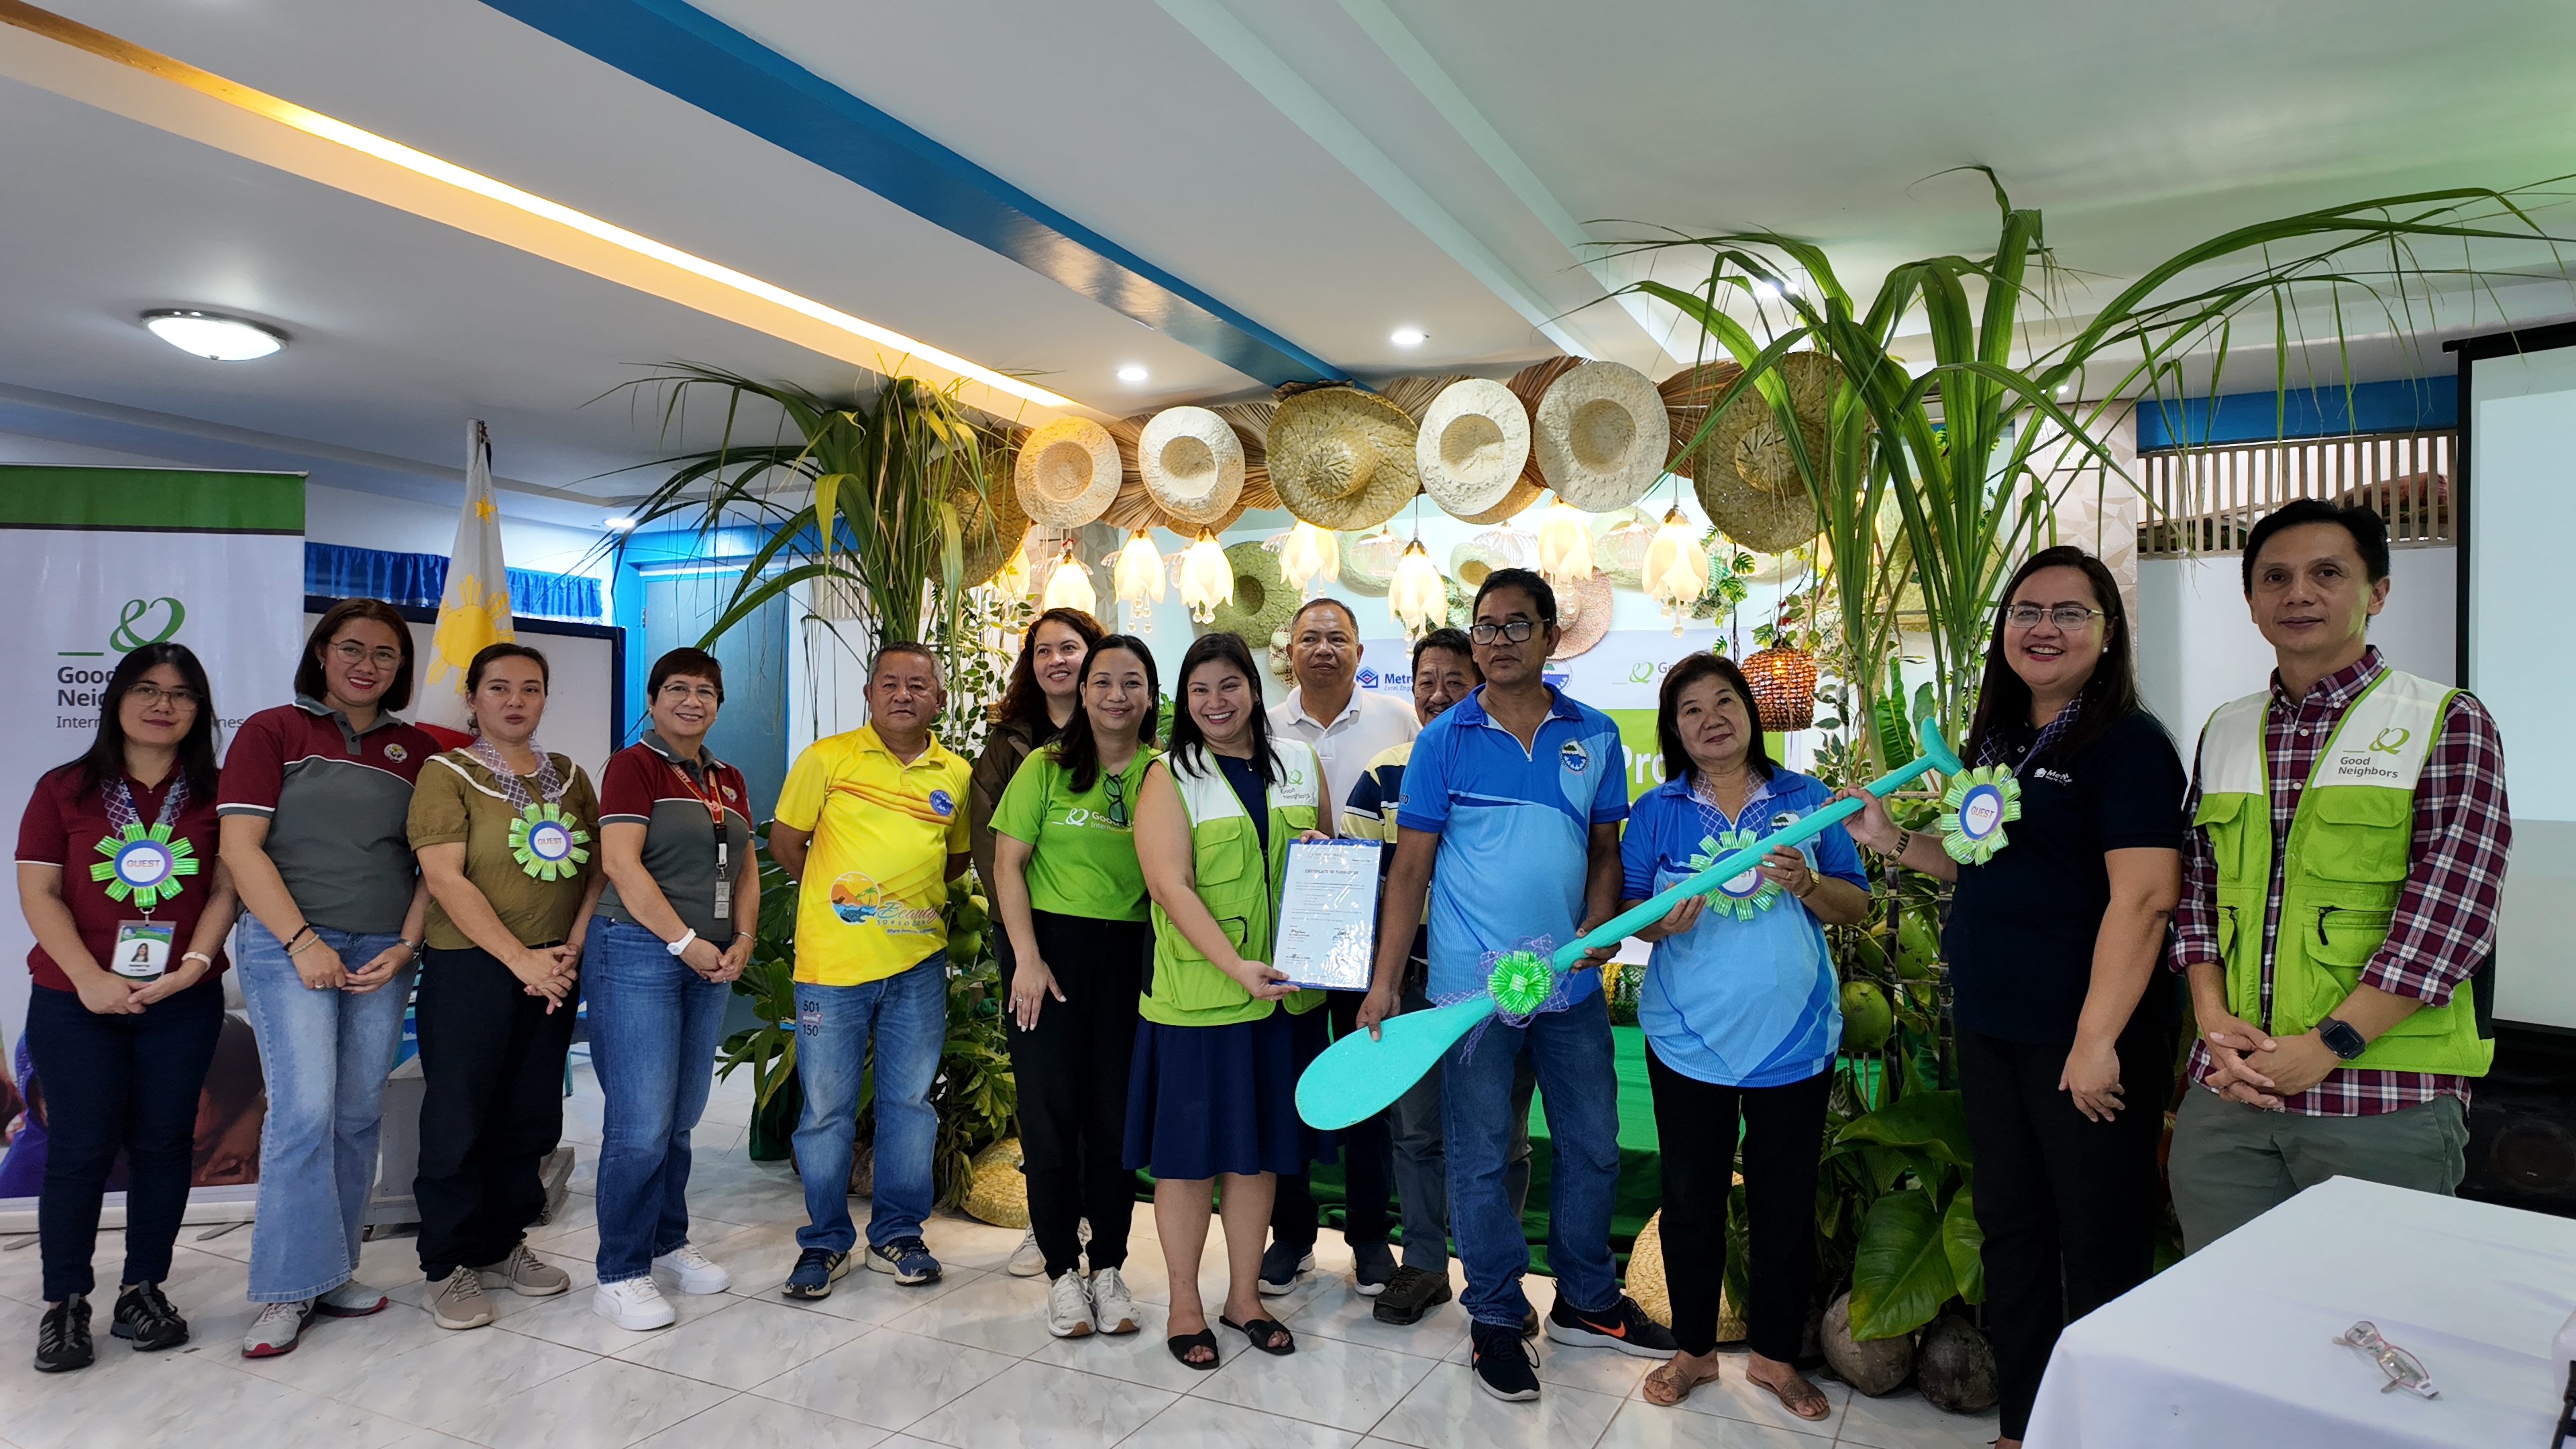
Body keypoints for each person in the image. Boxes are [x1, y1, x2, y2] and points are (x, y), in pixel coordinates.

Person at [1843, 545, 2185, 1449]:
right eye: (2027, 610)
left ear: (2108, 635)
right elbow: (1977, 859)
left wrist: (2097, 1039)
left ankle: (2104, 1432)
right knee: (2013, 1235)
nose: (2044, 627)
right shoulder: (2000, 738)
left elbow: (2146, 897)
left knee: (2099, 1249)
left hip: (2081, 1044)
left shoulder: (2129, 745)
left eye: (2070, 612)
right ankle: (2026, 1428)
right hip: (1992, 1028)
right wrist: (1892, 841)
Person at [1355, 568, 1674, 1403]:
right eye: (1485, 628)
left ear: (1550, 636)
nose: (1497, 641)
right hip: (1469, 993)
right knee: (1480, 1155)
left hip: (1566, 988)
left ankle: (1586, 1299)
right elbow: (1412, 869)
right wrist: (1386, 984)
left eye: (1515, 626)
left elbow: (1607, 853)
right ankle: (1495, 1314)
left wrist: (1596, 935)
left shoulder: (1595, 735)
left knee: (1594, 1142)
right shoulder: (1443, 740)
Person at [2166, 498, 2507, 1251]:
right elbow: (2196, 891)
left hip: (2381, 1098)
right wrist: (2214, 1023)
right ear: (2252, 599)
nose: (2299, 594)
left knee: (2377, 1335)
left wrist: (2329, 1044)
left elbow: (2453, 910)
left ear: (2376, 593)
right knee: (2223, 1322)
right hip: (2232, 1093)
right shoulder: (2226, 727)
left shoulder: (2443, 719)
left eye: (2327, 573)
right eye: (2275, 577)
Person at [1622, 653, 1868, 1418]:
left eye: (1723, 701)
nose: (1711, 719)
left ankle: (1772, 1357)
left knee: (1782, 1202)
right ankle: (1693, 1353)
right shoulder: (1656, 810)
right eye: (1690, 710)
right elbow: (1630, 918)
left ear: (1749, 710)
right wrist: (1659, 923)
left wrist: (1809, 884)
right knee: (1691, 1199)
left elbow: (1853, 904)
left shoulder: (1808, 799)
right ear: (1675, 730)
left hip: (1795, 1037)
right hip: (1686, 1037)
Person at [218, 599, 437, 1356]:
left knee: (354, 1115)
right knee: (304, 1114)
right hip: (290, 947)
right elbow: (241, 849)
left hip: (381, 950)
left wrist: (408, 943)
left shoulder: (417, 750)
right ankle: (284, 1290)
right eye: (352, 647)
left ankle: (332, 1271)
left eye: (385, 653)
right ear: (321, 654)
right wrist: (303, 940)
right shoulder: (272, 730)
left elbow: (431, 864)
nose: (368, 663)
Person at [15, 643, 240, 1372]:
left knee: (164, 1146)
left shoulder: (217, 792)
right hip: (73, 999)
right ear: (116, 699)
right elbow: (39, 892)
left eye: (181, 694)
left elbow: (226, 892)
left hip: (180, 1000)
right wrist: (88, 979)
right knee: (78, 1149)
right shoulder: (65, 788)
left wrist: (195, 967)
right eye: (147, 689)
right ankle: (66, 1303)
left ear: (199, 711)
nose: (163, 704)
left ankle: (143, 1288)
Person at [1128, 631, 1332, 1371]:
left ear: (1254, 688)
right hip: (1197, 1002)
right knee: (1188, 1162)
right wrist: (1234, 966)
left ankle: (1244, 1297)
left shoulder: (1302, 763)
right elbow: (1168, 887)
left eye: (1229, 686)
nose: (1216, 703)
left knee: (1258, 1158)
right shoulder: (1168, 775)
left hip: (1284, 1001)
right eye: (1200, 691)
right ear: (1185, 703)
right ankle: (1186, 1301)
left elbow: (1327, 863)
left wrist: (1316, 853)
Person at [1338, 627, 1538, 1330]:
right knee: (1416, 1131)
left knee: (1504, 1137)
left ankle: (1500, 1278)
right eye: (1427, 680)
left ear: (1481, 678)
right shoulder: (1384, 774)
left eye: (1456, 679)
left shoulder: (1513, 764)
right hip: (1415, 979)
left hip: (1497, 984)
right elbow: (1361, 882)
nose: (1439, 693)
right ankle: (1422, 1266)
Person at [407, 642, 604, 1332]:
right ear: (473, 698)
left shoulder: (573, 776)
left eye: (530, 687)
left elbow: (595, 874)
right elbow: (445, 878)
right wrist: (521, 959)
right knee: (460, 1113)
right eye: (498, 688)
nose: (515, 700)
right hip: (474, 967)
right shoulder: (446, 773)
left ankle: (502, 1245)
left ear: (546, 697)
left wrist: (569, 949)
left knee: (528, 1115)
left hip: (553, 969)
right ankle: (448, 1262)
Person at [771, 642, 973, 1300]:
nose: (903, 695)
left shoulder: (957, 774)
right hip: (832, 966)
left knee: (909, 1107)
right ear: (869, 692)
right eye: (890, 683)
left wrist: (899, 912)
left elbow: (955, 860)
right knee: (826, 1110)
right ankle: (826, 1243)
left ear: (939, 699)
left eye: (919, 685)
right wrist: (841, 906)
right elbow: (785, 844)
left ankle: (896, 1234)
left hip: (917, 963)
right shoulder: (827, 759)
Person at [585, 648, 758, 1330]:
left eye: (707, 691)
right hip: (639, 949)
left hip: (710, 956)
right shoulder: (633, 766)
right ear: (653, 700)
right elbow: (620, 864)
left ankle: (668, 1239)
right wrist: (684, 943)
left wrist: (741, 939)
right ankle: (620, 1271)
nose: (693, 700)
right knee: (640, 1121)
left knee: (681, 1113)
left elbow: (743, 867)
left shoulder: (728, 777)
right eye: (679, 689)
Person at [994, 635, 1159, 1340]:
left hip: (1131, 958)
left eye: (1131, 682)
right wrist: (1026, 959)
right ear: (1083, 693)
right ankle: (1063, 1272)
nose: (1115, 695)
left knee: (1116, 1123)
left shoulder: (1164, 774)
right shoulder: (1046, 766)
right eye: (1102, 682)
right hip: (1047, 958)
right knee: (1051, 1116)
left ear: (1151, 695)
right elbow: (1007, 865)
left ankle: (1111, 1266)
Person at [1262, 596, 1417, 1296]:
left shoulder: (1397, 720)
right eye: (1310, 638)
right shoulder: (1263, 726)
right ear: (1289, 651)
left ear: (1360, 652)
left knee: (1366, 1091)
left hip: (1373, 943)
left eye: (1338, 638)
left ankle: (1368, 1238)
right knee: (1289, 1086)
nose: (1323, 648)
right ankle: (1291, 1233)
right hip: (1290, 944)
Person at [968, 605, 1102, 1279]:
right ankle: (1047, 1225)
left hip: (1107, 938)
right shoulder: (1008, 745)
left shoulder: (1123, 734)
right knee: (1044, 1084)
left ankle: (1089, 1218)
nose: (1058, 660)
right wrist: (1024, 948)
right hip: (1027, 939)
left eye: (1070, 647)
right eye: (1044, 649)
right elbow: (991, 852)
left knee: (1100, 1088)